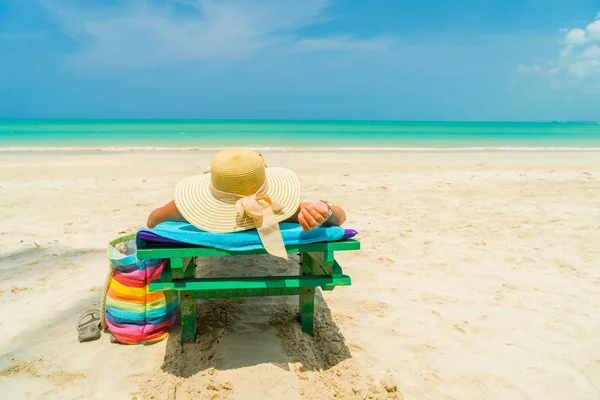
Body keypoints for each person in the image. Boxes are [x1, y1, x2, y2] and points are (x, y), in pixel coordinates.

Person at [146, 148, 346, 259]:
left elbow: (153, 222)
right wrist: (325, 209)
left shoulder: (183, 210)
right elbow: (339, 218)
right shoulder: (281, 209)